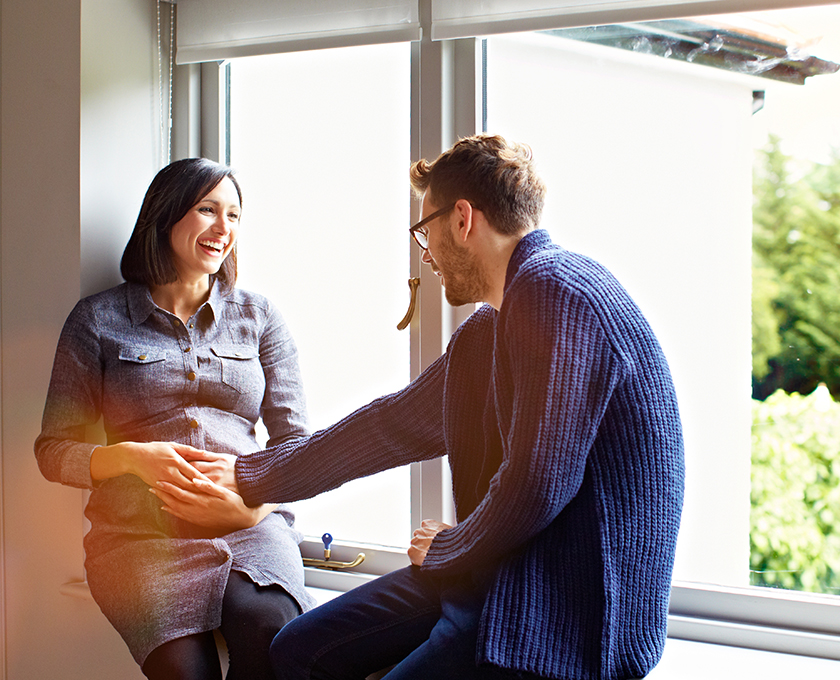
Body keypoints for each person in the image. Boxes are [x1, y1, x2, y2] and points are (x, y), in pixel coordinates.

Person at [168, 134, 685, 680]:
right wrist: (250, 476)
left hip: (566, 611)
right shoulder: (492, 328)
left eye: (425, 231)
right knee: (297, 649)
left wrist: (451, 546)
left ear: (462, 219)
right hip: (498, 574)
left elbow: (538, 484)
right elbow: (388, 427)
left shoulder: (556, 291)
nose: (426, 254)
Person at [34, 158, 315, 680]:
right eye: (208, 209)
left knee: (271, 636)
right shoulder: (96, 320)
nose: (223, 228)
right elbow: (53, 451)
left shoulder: (260, 317)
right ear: (164, 217)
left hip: (249, 531)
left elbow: (298, 447)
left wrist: (250, 510)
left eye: (233, 215)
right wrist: (133, 459)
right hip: (139, 539)